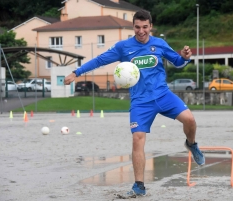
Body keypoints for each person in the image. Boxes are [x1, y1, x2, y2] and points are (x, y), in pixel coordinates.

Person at [64, 10, 205, 196]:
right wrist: (77, 72)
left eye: (145, 27)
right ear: (133, 27)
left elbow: (178, 62)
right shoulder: (123, 47)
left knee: (190, 120)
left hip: (163, 95)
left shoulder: (159, 44)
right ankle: (139, 185)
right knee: (137, 139)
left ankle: (192, 144)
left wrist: (185, 57)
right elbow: (100, 60)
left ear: (150, 26)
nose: (141, 31)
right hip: (140, 102)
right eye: (137, 27)